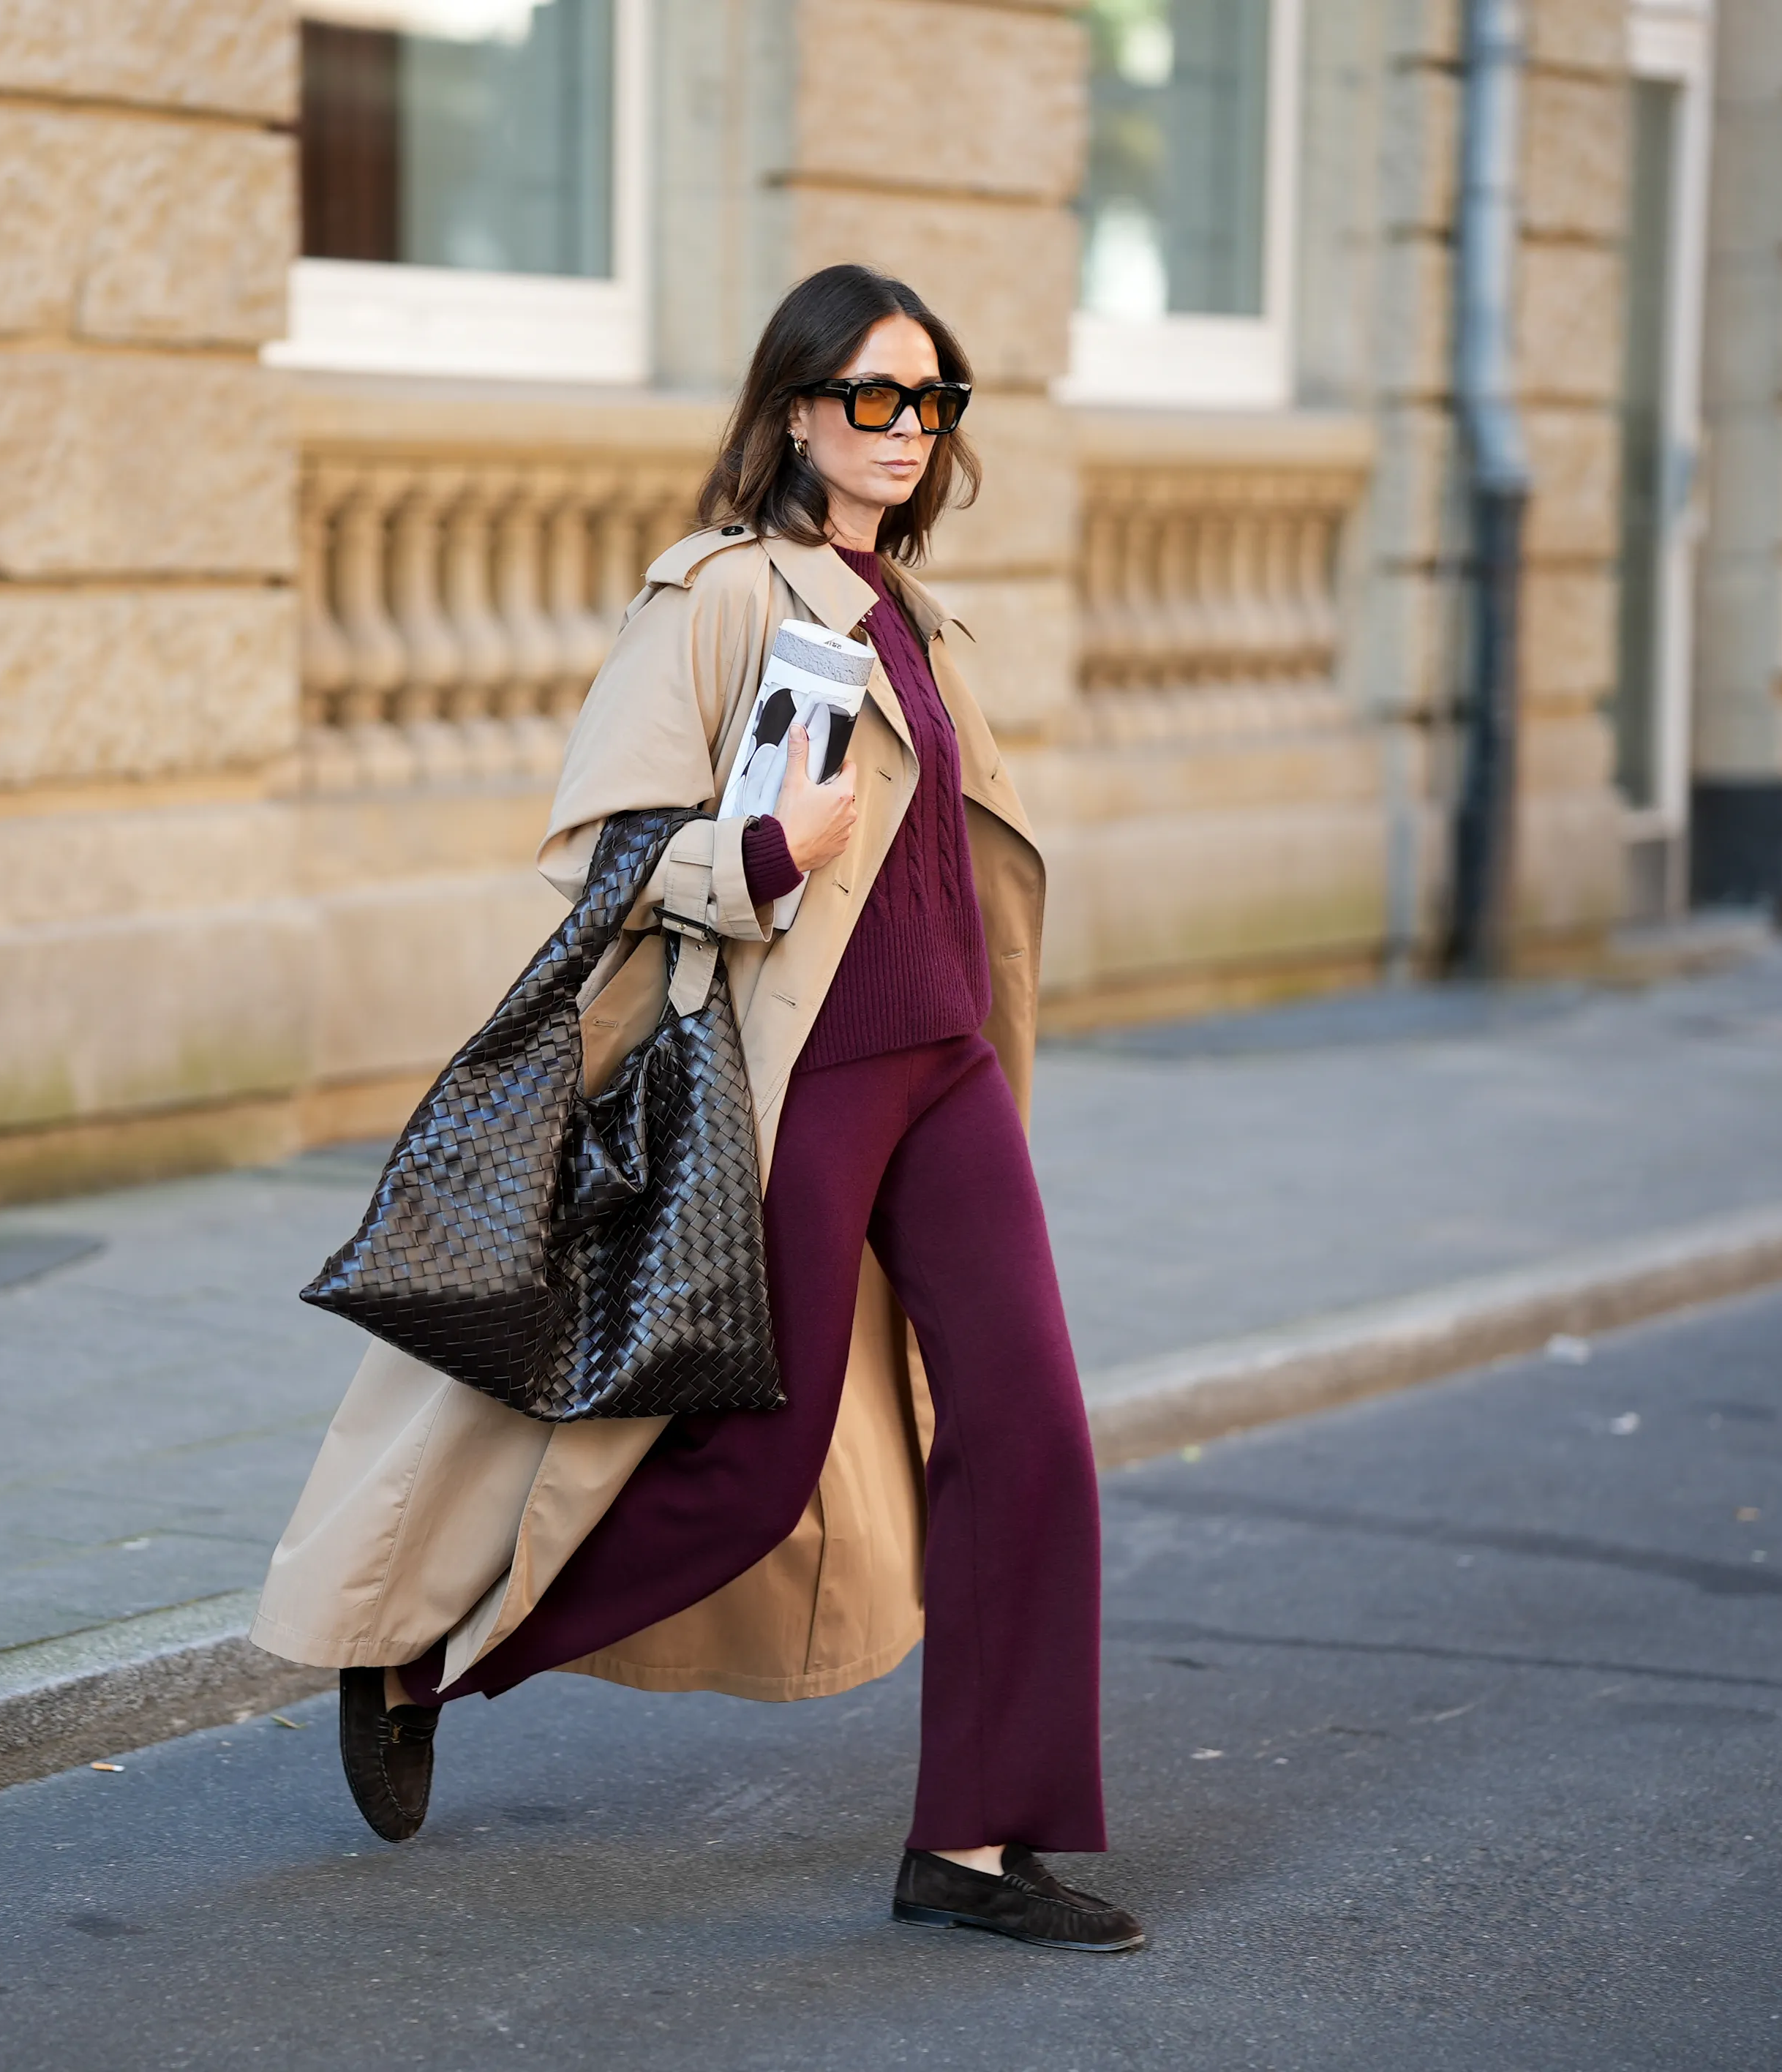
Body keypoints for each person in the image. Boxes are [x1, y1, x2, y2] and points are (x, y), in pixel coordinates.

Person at [252, 264, 1138, 1954]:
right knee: (748, 1462)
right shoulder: (720, 595)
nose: (905, 432)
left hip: (943, 1073)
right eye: (875, 399)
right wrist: (753, 857)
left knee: (1029, 1431)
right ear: (796, 410)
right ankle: (427, 1657)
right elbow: (603, 856)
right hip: (793, 1079)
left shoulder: (922, 624)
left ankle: (971, 1844)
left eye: (931, 402)